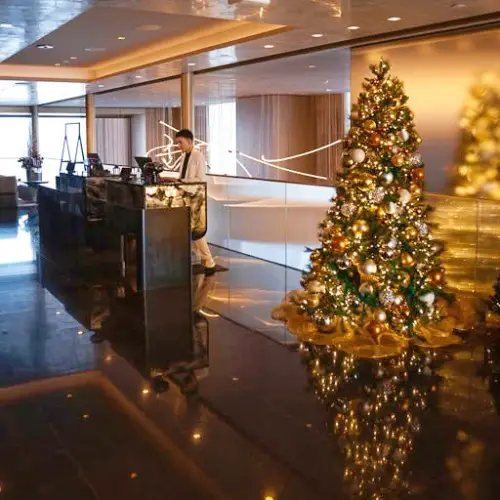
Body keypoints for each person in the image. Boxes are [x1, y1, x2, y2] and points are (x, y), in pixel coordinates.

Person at [175, 129, 216, 276]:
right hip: (186, 196)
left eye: (181, 142)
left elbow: (199, 178)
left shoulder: (198, 156)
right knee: (190, 231)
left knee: (197, 232)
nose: (179, 145)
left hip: (196, 198)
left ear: (190, 141)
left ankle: (209, 261)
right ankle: (201, 260)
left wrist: (182, 181)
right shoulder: (184, 156)